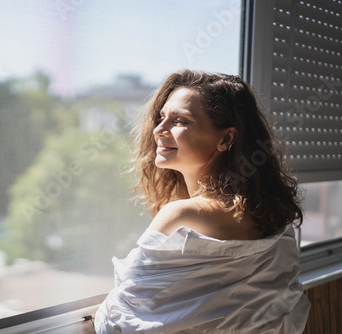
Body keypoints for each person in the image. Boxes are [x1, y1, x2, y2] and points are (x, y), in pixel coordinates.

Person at [94, 70, 310, 333]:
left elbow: (118, 323)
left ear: (226, 138)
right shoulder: (276, 217)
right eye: (161, 118)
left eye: (180, 121)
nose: (159, 130)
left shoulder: (182, 215)